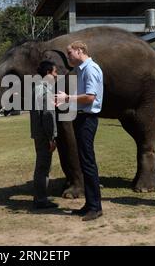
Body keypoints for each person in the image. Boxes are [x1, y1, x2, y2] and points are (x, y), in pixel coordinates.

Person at [56, 41, 104, 221]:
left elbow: (90, 97)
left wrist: (67, 97)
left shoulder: (90, 69)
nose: (68, 56)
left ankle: (95, 207)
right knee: (85, 161)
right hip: (82, 117)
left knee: (88, 162)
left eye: (69, 53)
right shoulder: (82, 70)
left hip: (87, 119)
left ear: (80, 50)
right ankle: (90, 204)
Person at [30, 61, 59, 209]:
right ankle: (41, 200)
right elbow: (47, 115)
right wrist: (51, 137)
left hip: (37, 133)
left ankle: (39, 198)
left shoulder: (36, 88)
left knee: (41, 167)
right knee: (43, 168)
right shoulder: (45, 91)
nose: (56, 76)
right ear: (48, 72)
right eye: (55, 72)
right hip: (44, 135)